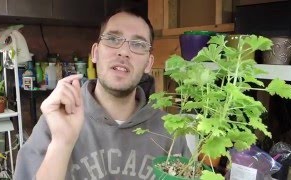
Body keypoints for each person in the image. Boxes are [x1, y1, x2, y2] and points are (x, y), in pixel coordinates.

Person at [14, 8, 190, 180]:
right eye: (113, 39)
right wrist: (61, 143)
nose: (123, 52)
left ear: (148, 63)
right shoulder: (56, 120)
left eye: (138, 44)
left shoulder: (170, 132)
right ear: (95, 53)